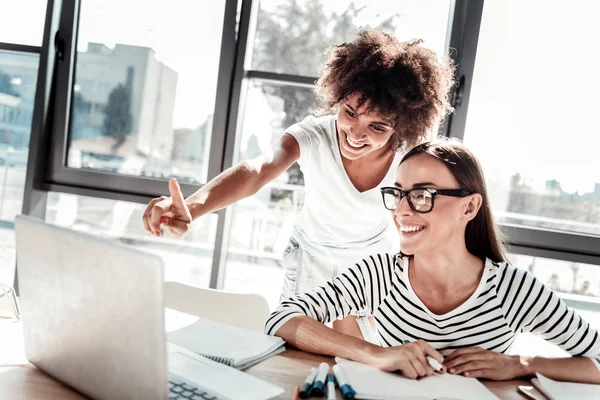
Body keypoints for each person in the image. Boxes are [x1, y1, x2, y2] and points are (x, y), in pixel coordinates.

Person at [142, 30, 455, 336]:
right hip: (310, 260)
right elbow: (258, 170)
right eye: (350, 112)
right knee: (295, 347)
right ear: (339, 97)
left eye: (377, 126)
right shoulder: (315, 135)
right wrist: (193, 208)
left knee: (362, 356)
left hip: (370, 268)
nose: (356, 134)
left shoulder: (409, 160)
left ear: (401, 127)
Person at [265, 140, 600, 384]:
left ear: (468, 208)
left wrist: (520, 363)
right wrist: (377, 354)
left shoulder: (514, 289)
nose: (402, 210)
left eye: (423, 195)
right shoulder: (379, 273)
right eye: (397, 193)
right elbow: (281, 318)